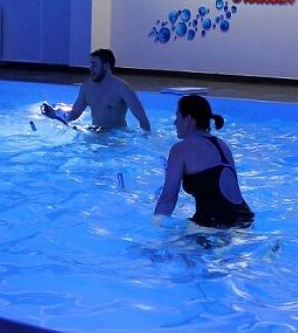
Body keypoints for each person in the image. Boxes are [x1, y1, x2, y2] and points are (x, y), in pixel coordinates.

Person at [153, 95, 254, 229]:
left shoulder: (180, 149)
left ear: (188, 120)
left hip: (214, 225)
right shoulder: (222, 145)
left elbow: (168, 198)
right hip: (245, 219)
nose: (175, 122)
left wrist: (154, 227)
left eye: (177, 116)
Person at [40, 49, 151, 132]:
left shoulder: (122, 89)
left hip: (116, 137)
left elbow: (143, 121)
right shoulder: (87, 87)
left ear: (106, 66)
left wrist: (145, 142)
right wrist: (55, 115)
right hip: (95, 134)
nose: (90, 68)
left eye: (94, 65)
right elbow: (74, 114)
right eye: (90, 64)